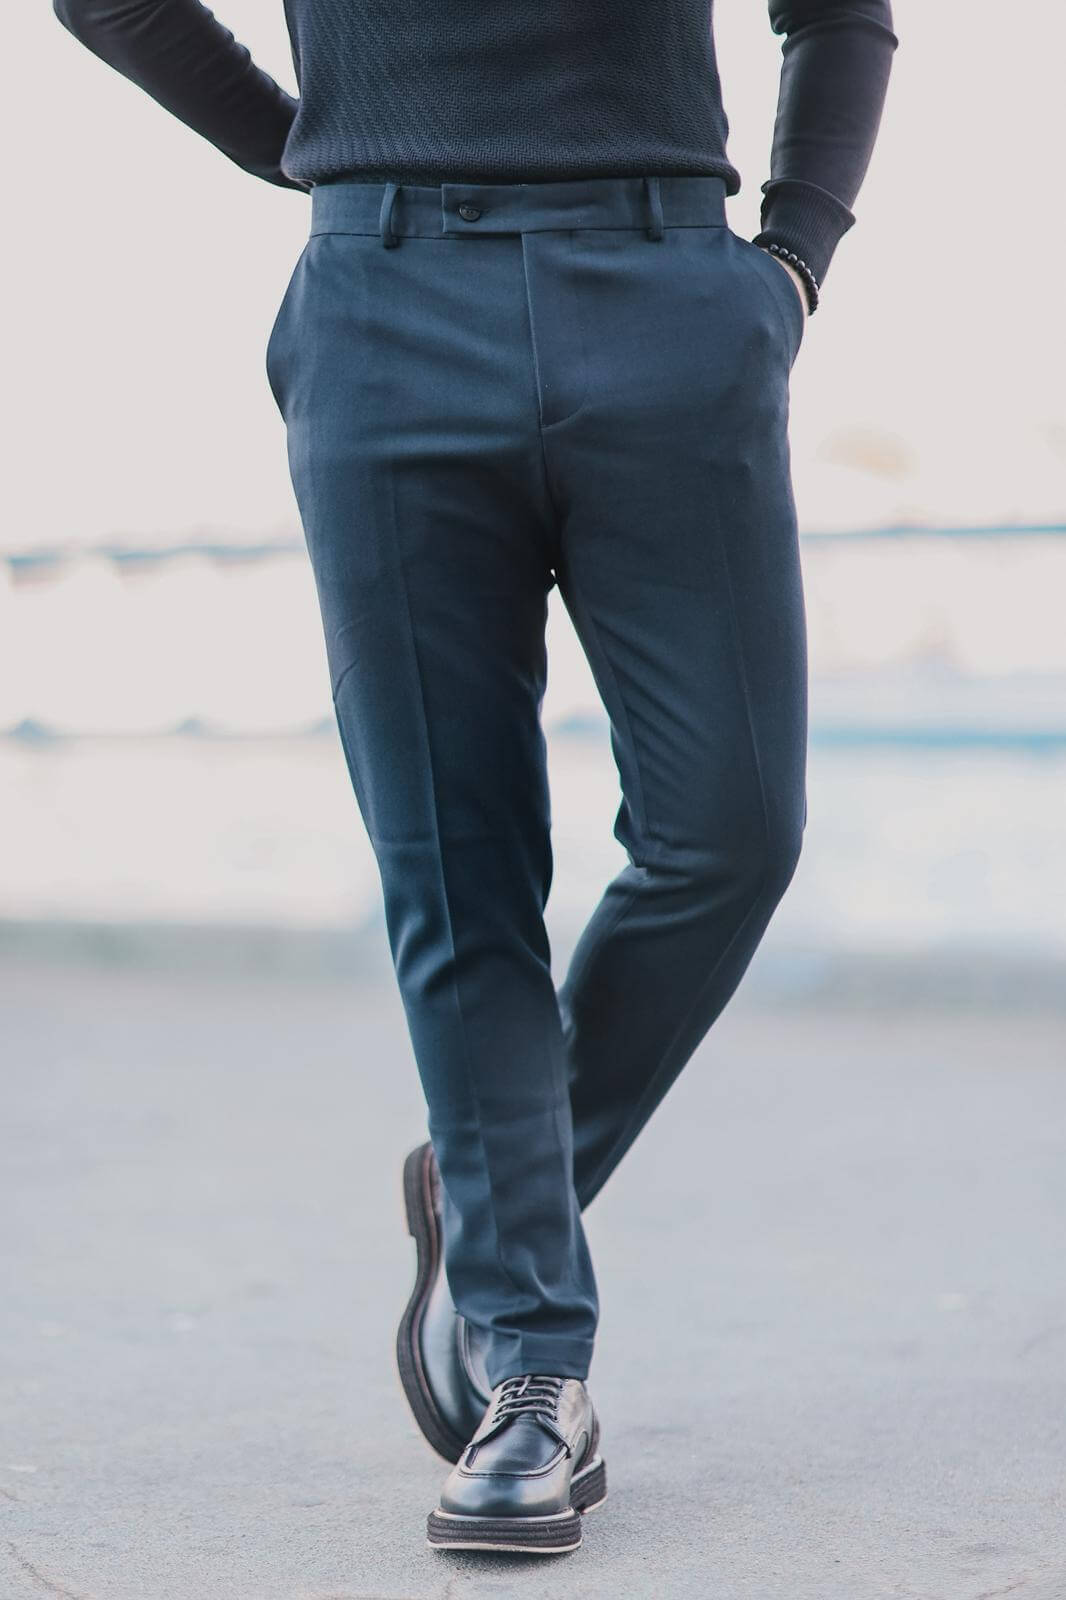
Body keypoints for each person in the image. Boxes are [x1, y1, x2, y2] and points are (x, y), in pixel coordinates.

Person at [52, 0, 898, 1557]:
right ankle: (533, 1375)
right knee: (458, 865)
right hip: (386, 305)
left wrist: (791, 261)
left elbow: (837, 12)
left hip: (669, 286)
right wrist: (309, 154)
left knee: (732, 830)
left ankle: (491, 1184)